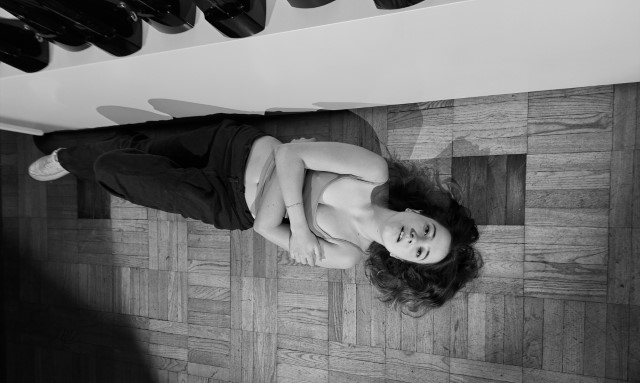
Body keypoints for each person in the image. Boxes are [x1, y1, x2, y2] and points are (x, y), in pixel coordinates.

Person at [28, 118, 482, 313]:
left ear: (405, 263)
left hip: (226, 203)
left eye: (420, 252)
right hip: (235, 147)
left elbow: (266, 220)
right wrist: (298, 224)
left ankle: (78, 159)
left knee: (116, 169)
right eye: (427, 230)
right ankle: (74, 156)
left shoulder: (347, 255)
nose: (414, 239)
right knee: (143, 150)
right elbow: (288, 155)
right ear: (419, 212)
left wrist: (290, 177)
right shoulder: (374, 173)